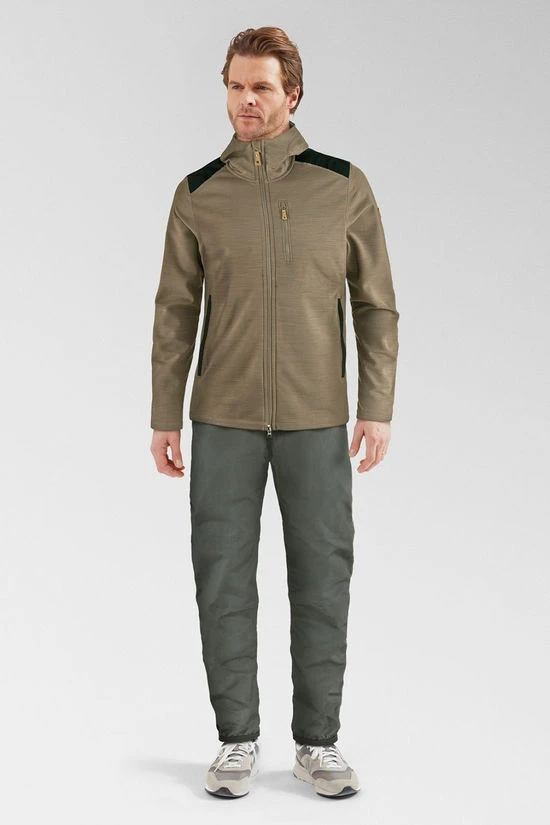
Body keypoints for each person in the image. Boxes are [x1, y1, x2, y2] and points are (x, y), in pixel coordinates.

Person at [149, 26, 399, 799]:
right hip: (221, 417)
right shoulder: (198, 194)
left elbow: (376, 305)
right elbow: (174, 311)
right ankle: (236, 739)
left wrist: (376, 405)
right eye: (235, 86)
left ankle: (318, 743)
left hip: (316, 416)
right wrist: (164, 415)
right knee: (221, 576)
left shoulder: (342, 186)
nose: (245, 101)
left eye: (260, 87)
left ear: (293, 93)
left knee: (323, 576)